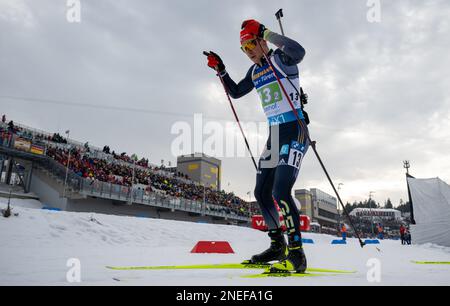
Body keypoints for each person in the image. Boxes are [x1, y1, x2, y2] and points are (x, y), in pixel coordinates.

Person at [206, 19, 309, 273]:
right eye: (244, 48)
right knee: (262, 191)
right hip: (275, 135)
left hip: (295, 130)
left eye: (252, 43)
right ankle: (277, 246)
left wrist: (267, 32)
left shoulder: (282, 60)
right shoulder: (255, 72)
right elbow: (237, 91)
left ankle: (297, 255)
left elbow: (300, 52)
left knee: (281, 190)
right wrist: (221, 70)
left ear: (263, 41)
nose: (249, 51)